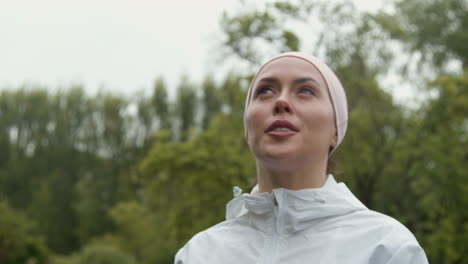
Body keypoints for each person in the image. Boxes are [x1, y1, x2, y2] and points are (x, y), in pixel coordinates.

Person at [174, 52, 428, 263]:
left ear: (335, 131)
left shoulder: (386, 248)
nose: (281, 101)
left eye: (305, 90)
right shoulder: (200, 253)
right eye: (265, 91)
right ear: (248, 128)